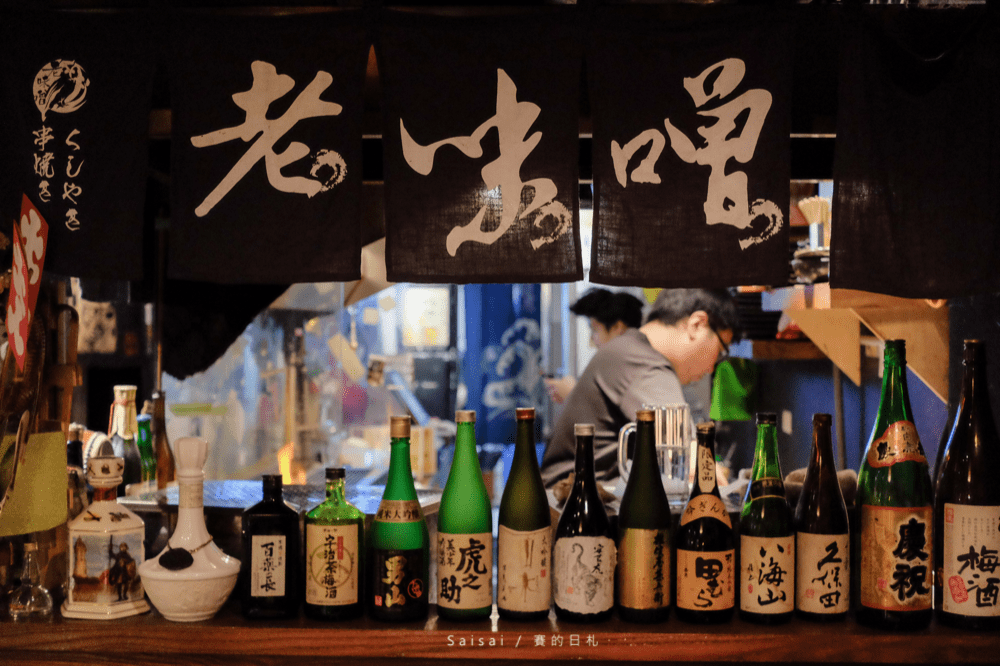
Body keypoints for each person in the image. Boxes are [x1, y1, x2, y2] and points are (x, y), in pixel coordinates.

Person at [540, 288, 740, 488]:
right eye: (720, 351)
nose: (712, 367)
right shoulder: (641, 360)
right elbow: (689, 458)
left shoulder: (628, 349)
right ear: (697, 324)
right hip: (571, 501)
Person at [544, 288, 646, 404]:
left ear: (618, 327)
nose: (592, 341)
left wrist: (573, 395)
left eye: (595, 330)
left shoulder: (635, 370)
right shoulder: (618, 368)